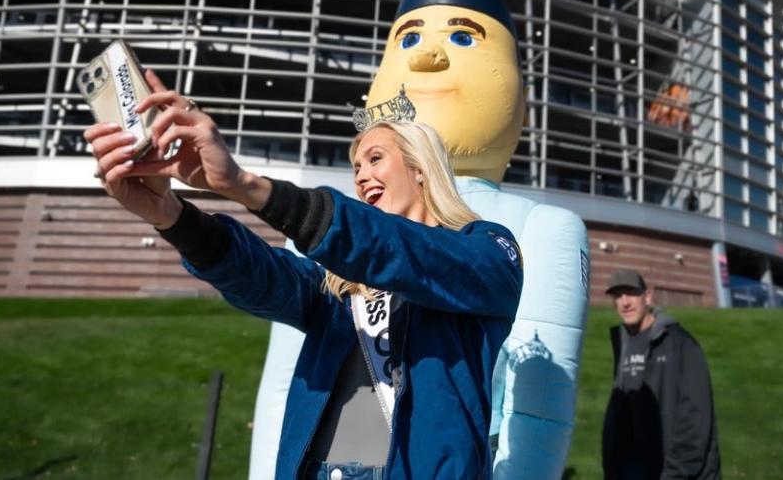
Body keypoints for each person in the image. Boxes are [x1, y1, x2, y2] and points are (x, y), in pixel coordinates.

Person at [251, 0, 589, 480]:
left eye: (462, 39)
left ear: (417, 165)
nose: (428, 56)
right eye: (407, 41)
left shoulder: (510, 237)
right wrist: (183, 210)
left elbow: (538, 406)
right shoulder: (327, 239)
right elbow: (288, 385)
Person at [84, 81, 524, 480]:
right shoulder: (337, 286)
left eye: (375, 158)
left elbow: (404, 252)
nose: (362, 175)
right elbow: (258, 274)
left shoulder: (485, 250)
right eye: (356, 168)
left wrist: (243, 184)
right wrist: (169, 215)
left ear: (421, 168)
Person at [602, 268, 720, 480]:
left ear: (648, 296)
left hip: (672, 471)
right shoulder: (622, 343)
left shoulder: (680, 343)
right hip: (631, 469)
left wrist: (674, 474)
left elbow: (695, 418)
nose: (624, 302)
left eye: (631, 293)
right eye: (618, 296)